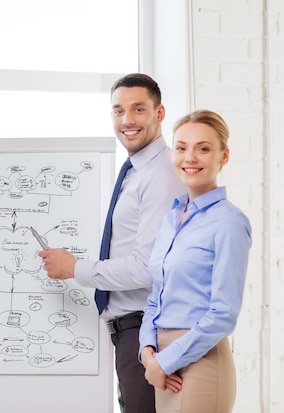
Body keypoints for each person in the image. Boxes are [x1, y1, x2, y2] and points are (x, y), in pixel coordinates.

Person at [39, 73, 185, 412]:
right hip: (129, 333)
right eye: (118, 111)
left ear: (159, 113)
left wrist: (74, 268)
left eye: (138, 110)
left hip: (146, 332)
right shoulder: (135, 171)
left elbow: (147, 267)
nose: (127, 121)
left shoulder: (160, 174)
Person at [138, 109, 251, 412]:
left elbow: (224, 312)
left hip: (200, 360)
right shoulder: (171, 218)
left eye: (203, 148)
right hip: (161, 363)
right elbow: (155, 297)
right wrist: (148, 352)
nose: (190, 157)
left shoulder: (229, 222)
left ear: (223, 156)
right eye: (181, 147)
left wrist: (167, 360)